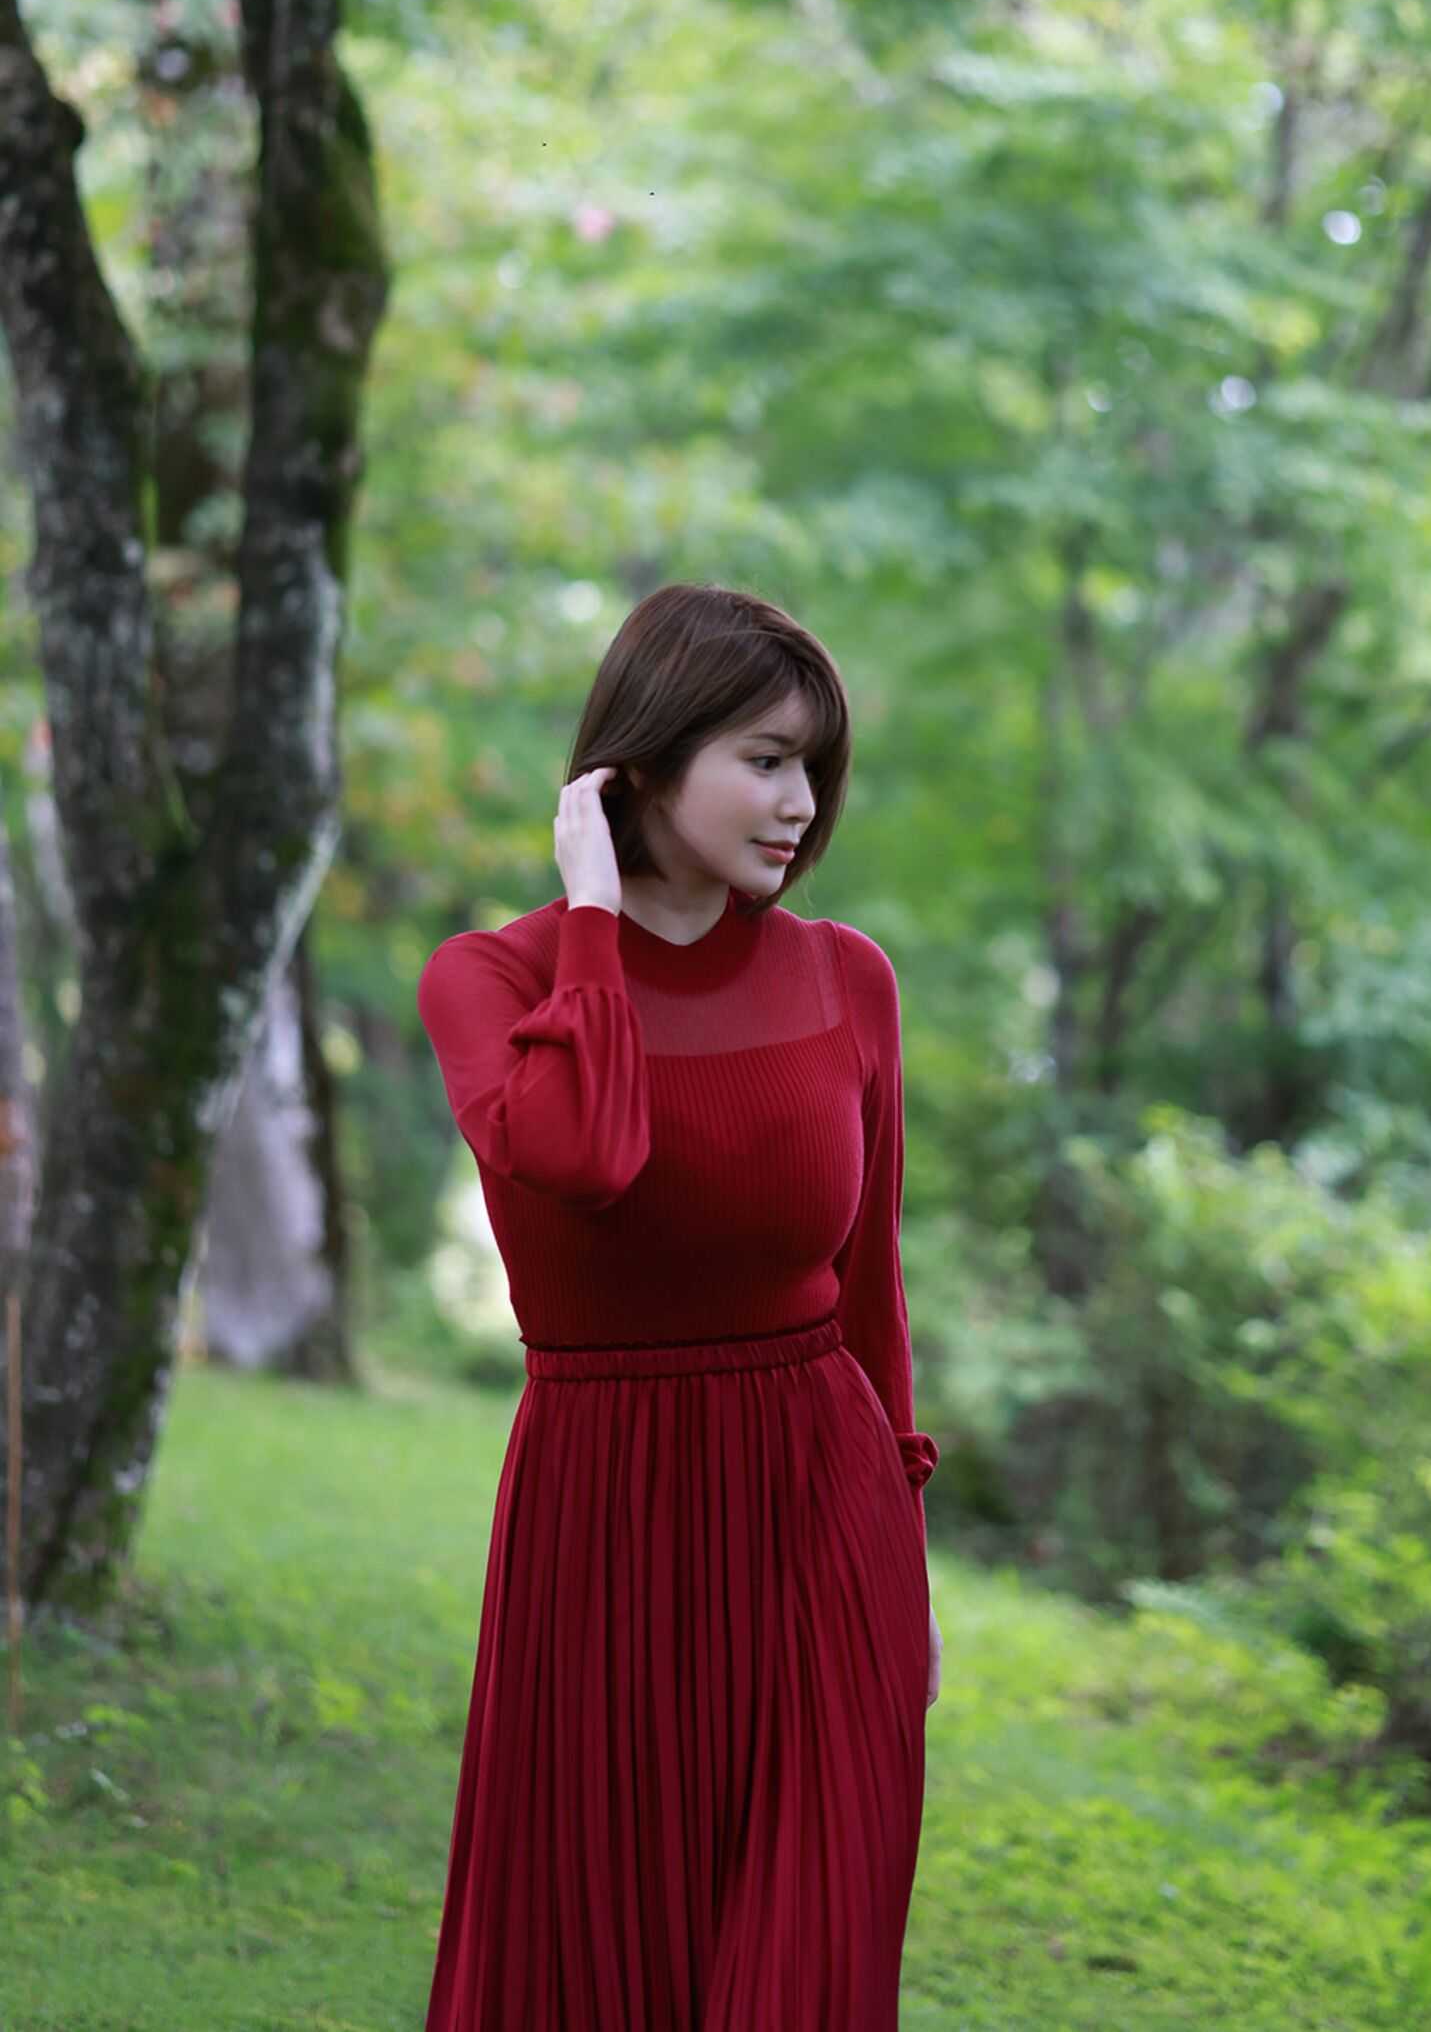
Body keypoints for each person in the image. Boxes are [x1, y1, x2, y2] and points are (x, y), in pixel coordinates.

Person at [416, 581, 941, 2030]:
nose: (802, 803)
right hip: (607, 1522)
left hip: (824, 1517)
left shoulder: (847, 977)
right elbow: (586, 1154)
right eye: (765, 760)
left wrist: (906, 1561)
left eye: (813, 766)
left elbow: (873, 1295)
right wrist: (594, 916)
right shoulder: (490, 979)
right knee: (601, 1956)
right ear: (642, 765)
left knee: (807, 1961)